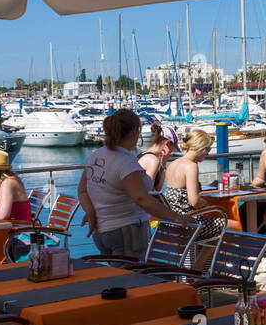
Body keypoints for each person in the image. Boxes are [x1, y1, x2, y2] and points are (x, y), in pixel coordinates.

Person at [77, 109, 194, 258]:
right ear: (134, 131)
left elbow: (82, 191)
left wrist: (91, 213)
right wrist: (176, 217)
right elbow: (141, 199)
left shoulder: (95, 156)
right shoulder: (125, 161)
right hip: (126, 231)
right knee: (132, 278)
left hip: (101, 232)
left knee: (117, 275)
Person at [161, 129, 240, 241]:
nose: (207, 154)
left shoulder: (174, 163)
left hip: (171, 221)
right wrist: (206, 203)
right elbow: (194, 201)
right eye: (207, 149)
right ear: (200, 147)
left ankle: (202, 259)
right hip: (188, 222)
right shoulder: (191, 166)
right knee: (235, 226)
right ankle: (234, 257)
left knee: (216, 233)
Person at [138, 122, 180, 192]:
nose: (172, 152)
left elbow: (158, 188)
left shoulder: (142, 155)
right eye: (172, 149)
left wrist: (163, 164)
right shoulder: (153, 160)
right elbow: (149, 191)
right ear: (167, 143)